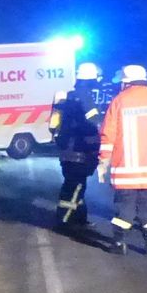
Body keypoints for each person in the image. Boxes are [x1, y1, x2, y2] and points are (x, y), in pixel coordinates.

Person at [98, 65, 147, 255]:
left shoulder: (119, 101)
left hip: (125, 171)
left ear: (126, 82)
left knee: (124, 209)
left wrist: (103, 161)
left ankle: (119, 244)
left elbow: (108, 134)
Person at [49, 62, 104, 233]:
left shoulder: (69, 96)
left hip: (67, 149)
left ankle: (79, 220)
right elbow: (93, 125)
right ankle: (64, 222)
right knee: (75, 187)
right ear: (91, 79)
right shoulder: (86, 98)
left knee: (76, 186)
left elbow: (53, 125)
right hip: (80, 151)